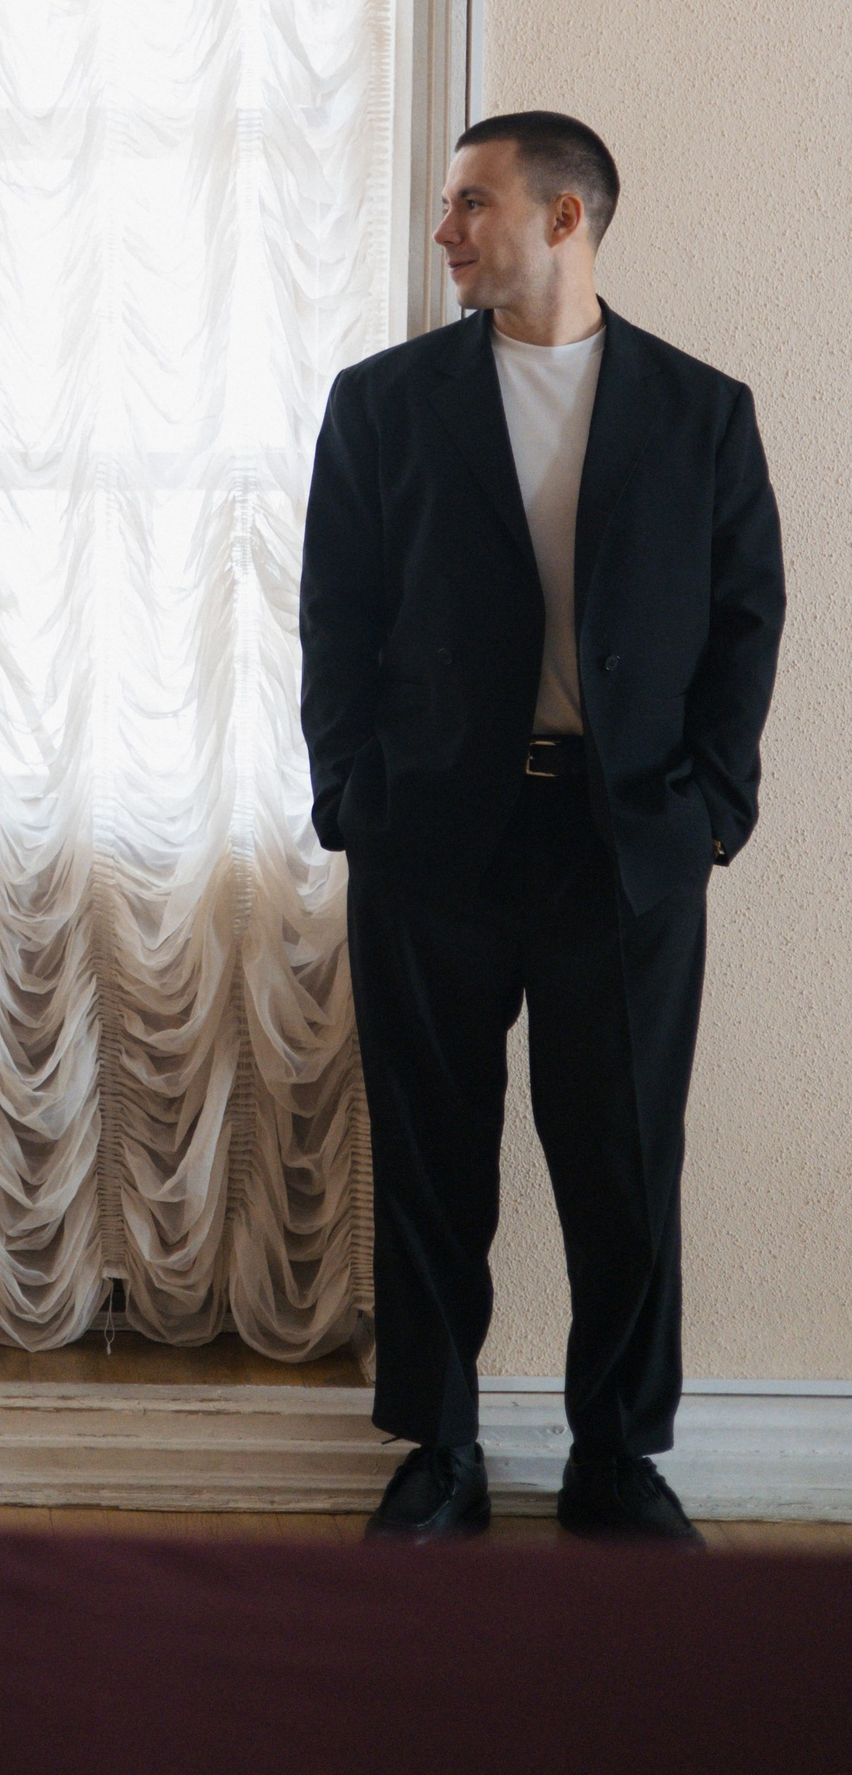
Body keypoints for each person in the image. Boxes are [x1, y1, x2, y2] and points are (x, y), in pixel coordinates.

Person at [300, 113, 782, 1543]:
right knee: (431, 1160)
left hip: (624, 845)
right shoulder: (384, 404)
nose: (445, 229)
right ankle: (439, 1453)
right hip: (431, 840)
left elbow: (747, 622)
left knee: (623, 1165)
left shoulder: (702, 412)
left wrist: (711, 811)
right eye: (448, 205)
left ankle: (616, 1460)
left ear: (565, 218)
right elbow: (335, 618)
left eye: (472, 203)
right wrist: (352, 799)